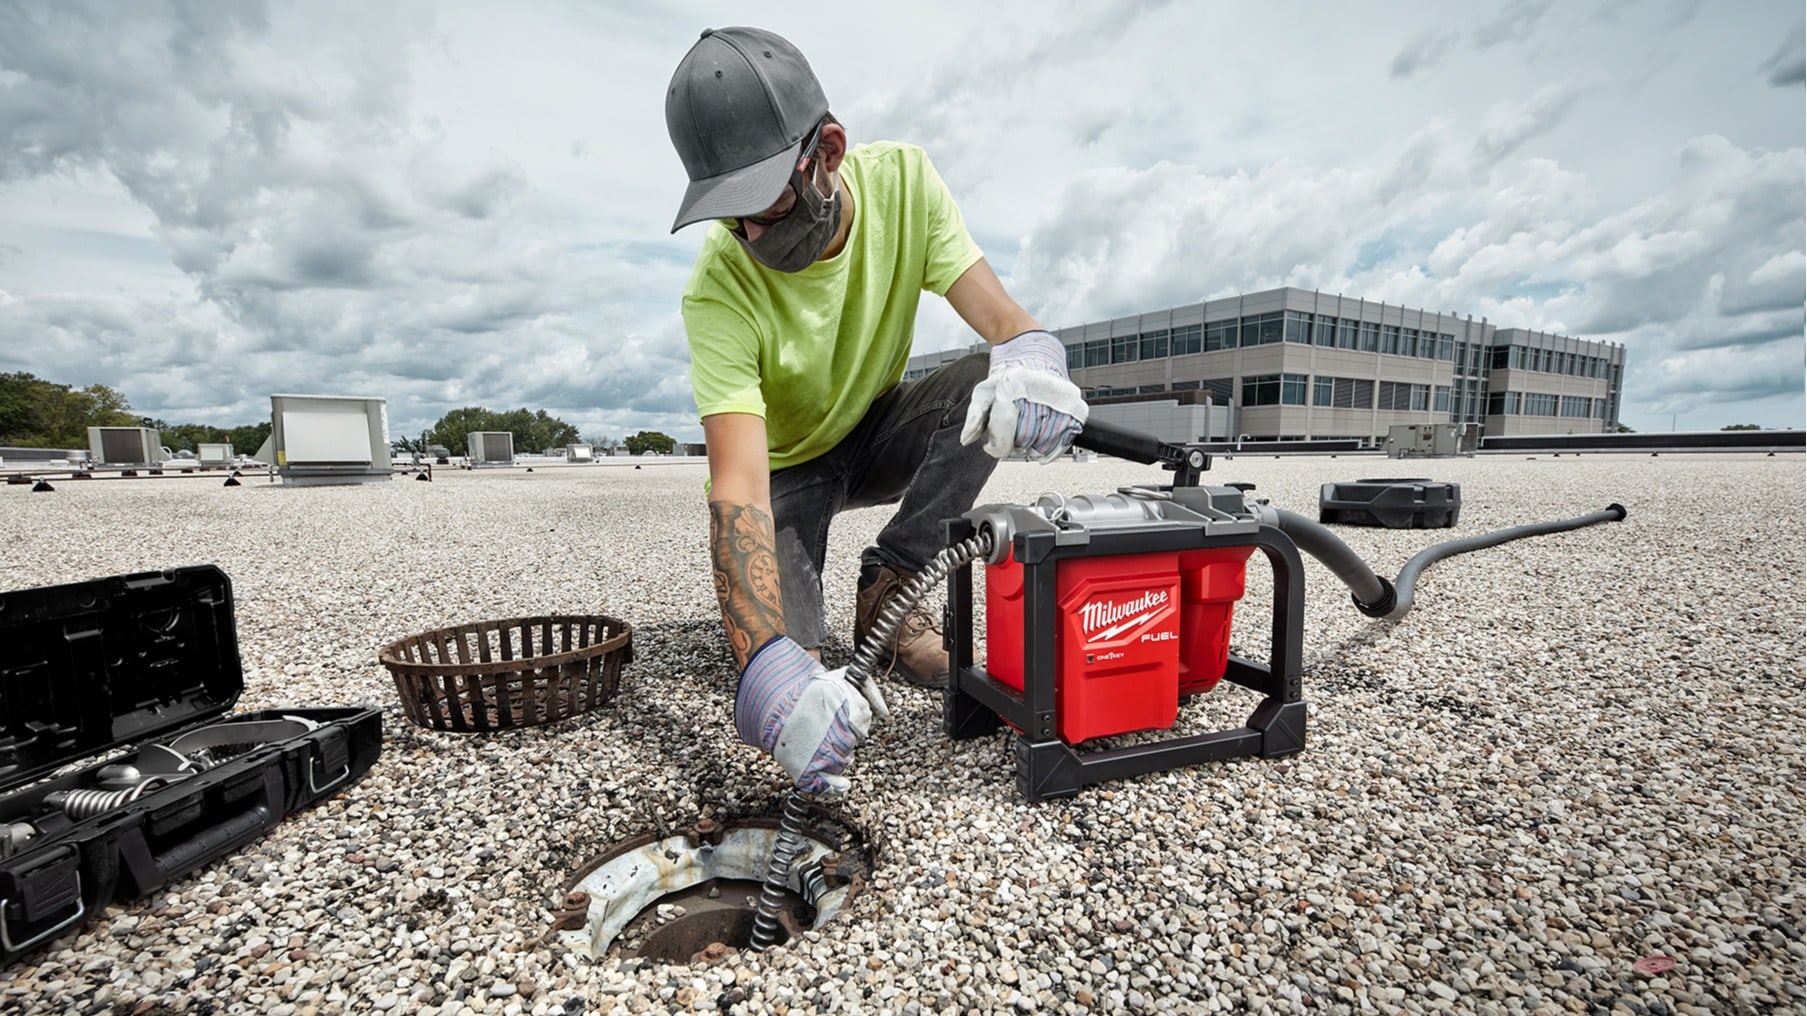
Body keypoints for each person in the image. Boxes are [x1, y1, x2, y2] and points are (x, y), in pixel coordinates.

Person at [664, 26, 1087, 796]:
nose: (752, 236)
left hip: (877, 427)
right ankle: (792, 647)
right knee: (791, 654)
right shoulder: (718, 286)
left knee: (977, 380)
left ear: (826, 150)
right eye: (731, 218)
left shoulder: (904, 185)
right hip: (787, 468)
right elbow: (736, 485)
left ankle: (891, 584)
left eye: (762, 204)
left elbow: (1004, 322)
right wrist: (764, 664)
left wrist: (1034, 362)